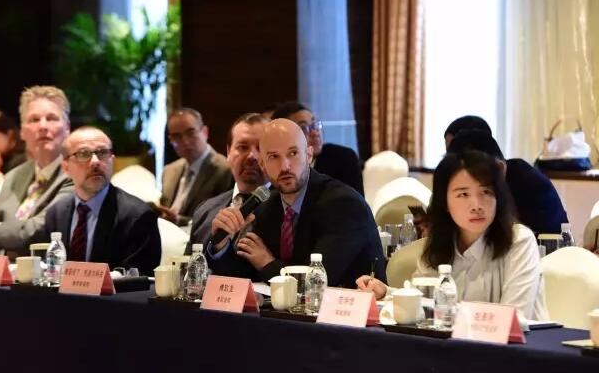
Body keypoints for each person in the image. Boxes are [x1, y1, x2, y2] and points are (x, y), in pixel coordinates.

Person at [357, 150, 548, 320]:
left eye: (486, 192)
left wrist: (447, 314)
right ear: (445, 202)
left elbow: (514, 316)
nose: (476, 205)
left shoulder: (518, 241)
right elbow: (423, 304)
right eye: (463, 194)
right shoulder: (438, 245)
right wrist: (385, 293)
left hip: (522, 347)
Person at [207, 119, 384, 288]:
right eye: (274, 156)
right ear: (262, 164)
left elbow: (318, 281)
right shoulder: (266, 206)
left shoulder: (343, 204)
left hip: (351, 306)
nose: (285, 166)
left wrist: (267, 263)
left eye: (293, 153)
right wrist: (221, 243)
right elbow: (245, 275)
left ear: (309, 155)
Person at [32, 127, 161, 275]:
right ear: (66, 167)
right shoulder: (55, 213)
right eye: (83, 154)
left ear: (112, 160)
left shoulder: (138, 216)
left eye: (102, 153)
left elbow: (139, 279)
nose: (95, 162)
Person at [0, 86, 74, 256]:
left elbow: (38, 231)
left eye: (51, 118)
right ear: (22, 132)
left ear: (67, 128)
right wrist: (1, 259)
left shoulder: (75, 174)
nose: (43, 126)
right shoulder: (13, 176)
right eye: (34, 119)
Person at [448, 129, 568, 235]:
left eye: (475, 174)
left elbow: (546, 242)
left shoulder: (530, 185)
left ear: (500, 168)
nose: (475, 204)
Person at [185, 113, 268, 254]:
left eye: (260, 148)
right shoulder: (205, 211)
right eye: (242, 147)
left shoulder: (288, 212)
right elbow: (188, 266)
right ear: (228, 153)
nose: (252, 156)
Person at [159, 108, 233, 226]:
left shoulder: (225, 169)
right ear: (170, 140)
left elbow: (218, 221)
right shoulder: (169, 170)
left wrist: (178, 220)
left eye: (190, 133)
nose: (185, 141)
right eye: (176, 136)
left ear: (205, 132)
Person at [272, 101, 364, 195]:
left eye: (315, 125)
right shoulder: (279, 168)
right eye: (303, 127)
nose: (315, 133)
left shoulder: (343, 158)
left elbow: (356, 203)